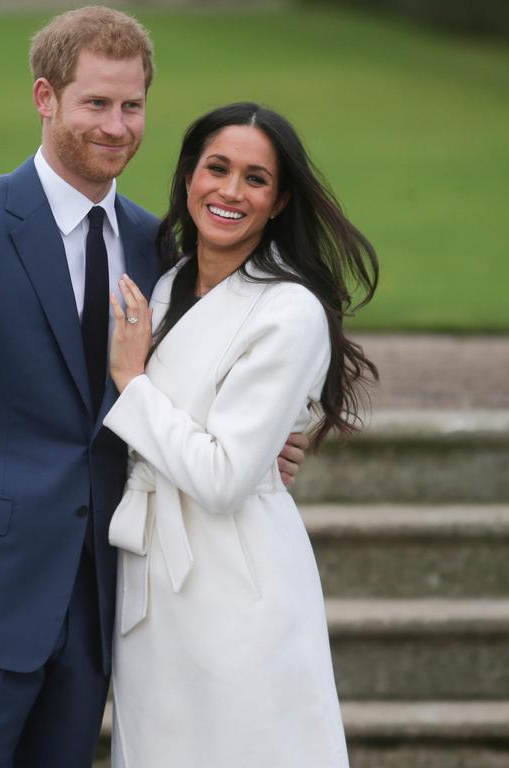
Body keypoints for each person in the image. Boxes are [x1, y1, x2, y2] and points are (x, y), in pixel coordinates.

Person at [0, 9, 308, 767]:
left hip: (103, 599)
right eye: (96, 103)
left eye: (132, 106)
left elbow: (192, 388)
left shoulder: (160, 245)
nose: (118, 125)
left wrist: (262, 447)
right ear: (45, 98)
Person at [102, 102, 379, 767]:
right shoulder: (164, 286)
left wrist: (131, 382)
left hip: (235, 580)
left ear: (279, 200)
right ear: (189, 176)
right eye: (217, 168)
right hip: (148, 578)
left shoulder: (289, 310)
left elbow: (224, 478)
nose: (230, 191)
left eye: (255, 179)